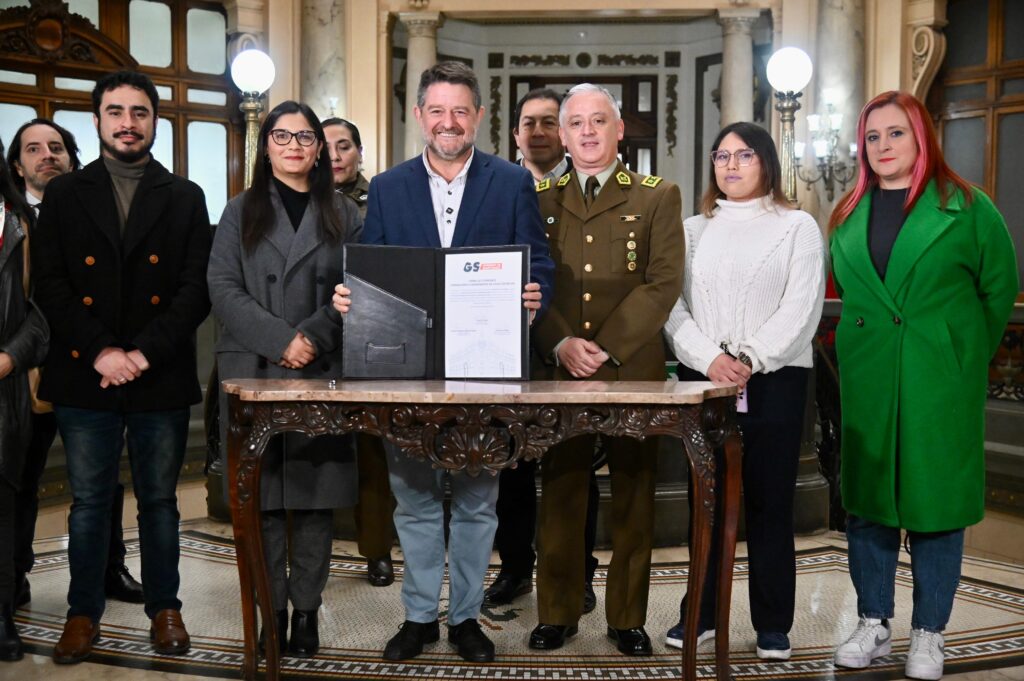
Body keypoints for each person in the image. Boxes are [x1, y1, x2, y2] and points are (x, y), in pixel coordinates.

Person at [332, 61, 553, 664]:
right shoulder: (389, 187)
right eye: (437, 110)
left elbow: (541, 263)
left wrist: (534, 293)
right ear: (419, 116)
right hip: (408, 369)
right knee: (415, 499)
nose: (449, 122)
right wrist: (350, 294)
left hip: (488, 368)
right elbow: (371, 266)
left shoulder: (511, 182)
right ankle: (418, 615)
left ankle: (465, 619)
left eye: (461, 111)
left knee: (480, 500)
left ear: (479, 117)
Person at [828, 90, 1018, 681]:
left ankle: (929, 634)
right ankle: (874, 622)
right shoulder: (846, 212)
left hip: (940, 383)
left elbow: (997, 293)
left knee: (936, 509)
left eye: (895, 134)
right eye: (873, 137)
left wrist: (957, 357)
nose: (883, 146)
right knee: (868, 508)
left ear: (921, 137)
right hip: (868, 379)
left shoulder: (968, 207)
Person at [31, 70, 212, 664]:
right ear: (99, 121)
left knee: (160, 501)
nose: (128, 123)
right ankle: (83, 613)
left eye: (139, 111)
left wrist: (140, 354)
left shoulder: (185, 195)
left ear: (155, 120)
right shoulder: (63, 195)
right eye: (116, 112)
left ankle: (166, 608)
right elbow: (52, 286)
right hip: (86, 371)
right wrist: (104, 351)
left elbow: (194, 291)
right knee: (89, 502)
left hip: (156, 371)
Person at [663, 121, 827, 660]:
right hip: (703, 380)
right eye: (721, 156)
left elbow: (801, 307)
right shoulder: (689, 231)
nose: (730, 166)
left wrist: (750, 357)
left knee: (769, 502)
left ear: (768, 164)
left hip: (776, 380)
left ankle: (773, 623)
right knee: (704, 503)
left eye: (744, 155)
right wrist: (710, 358)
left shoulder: (797, 226)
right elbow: (672, 307)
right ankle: (702, 612)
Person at [529, 83, 684, 657]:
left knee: (635, 496)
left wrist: (606, 348)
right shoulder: (537, 196)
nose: (588, 131)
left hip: (632, 368)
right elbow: (526, 281)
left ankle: (626, 617)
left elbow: (663, 282)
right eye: (576, 123)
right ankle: (557, 613)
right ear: (561, 134)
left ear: (620, 130)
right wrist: (561, 341)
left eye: (600, 121)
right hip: (558, 367)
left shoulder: (657, 195)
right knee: (562, 493)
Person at [209, 101, 362, 659]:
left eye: (306, 136)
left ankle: (305, 611)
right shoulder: (239, 210)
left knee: (315, 498)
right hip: (255, 367)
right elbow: (223, 289)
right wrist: (281, 340)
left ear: (321, 148)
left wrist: (313, 336)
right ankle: (270, 608)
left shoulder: (346, 214)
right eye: (282, 135)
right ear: (266, 144)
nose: (294, 145)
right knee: (264, 499)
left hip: (322, 366)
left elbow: (362, 287)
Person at [6, 118, 145, 609]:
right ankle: (14, 576)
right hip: (28, 374)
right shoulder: (10, 222)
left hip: (91, 366)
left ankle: (110, 569)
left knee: (103, 479)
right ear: (17, 164)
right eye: (34, 148)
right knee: (20, 475)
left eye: (57, 147)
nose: (48, 155)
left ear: (72, 155)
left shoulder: (92, 209)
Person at [484, 87, 600, 614]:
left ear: (567, 131)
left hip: (572, 354)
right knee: (510, 470)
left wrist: (565, 340)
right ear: (514, 134)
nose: (538, 132)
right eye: (528, 123)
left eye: (550, 122)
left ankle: (578, 570)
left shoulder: (589, 191)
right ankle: (513, 568)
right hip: (507, 354)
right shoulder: (496, 188)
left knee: (575, 470)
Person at [321, 116, 395, 588]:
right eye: (325, 146)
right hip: (317, 337)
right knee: (317, 448)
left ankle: (377, 551)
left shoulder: (381, 200)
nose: (334, 155)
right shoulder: (302, 202)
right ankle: (312, 551)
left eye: (344, 146)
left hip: (368, 335)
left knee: (373, 453)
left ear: (359, 151)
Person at [0, 137, 49, 663]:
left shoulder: (21, 224)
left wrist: (11, 356)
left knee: (6, 498)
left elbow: (42, 310)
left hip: (6, 381)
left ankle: (2, 610)